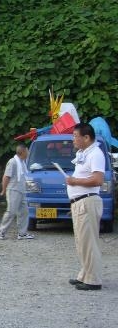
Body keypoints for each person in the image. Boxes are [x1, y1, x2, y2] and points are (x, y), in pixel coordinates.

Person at [65, 123, 105, 291]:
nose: (73, 139)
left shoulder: (95, 154)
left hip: (87, 201)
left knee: (88, 242)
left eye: (76, 136)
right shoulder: (84, 153)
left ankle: (93, 280)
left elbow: (98, 180)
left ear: (86, 137)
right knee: (82, 241)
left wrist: (75, 181)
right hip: (80, 202)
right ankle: (85, 274)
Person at [0, 143, 34, 240]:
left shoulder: (22, 162)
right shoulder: (13, 162)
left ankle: (22, 233)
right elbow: (6, 176)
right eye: (27, 151)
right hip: (13, 190)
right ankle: (2, 231)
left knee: (24, 212)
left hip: (22, 190)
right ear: (23, 151)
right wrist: (3, 190)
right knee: (11, 212)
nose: (28, 153)